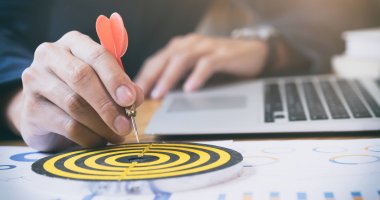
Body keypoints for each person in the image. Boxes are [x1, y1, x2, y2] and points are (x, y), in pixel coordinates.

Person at [1, 0, 379, 151]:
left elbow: (340, 12)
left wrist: (267, 46)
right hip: (39, 107)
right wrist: (17, 96)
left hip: (168, 102)